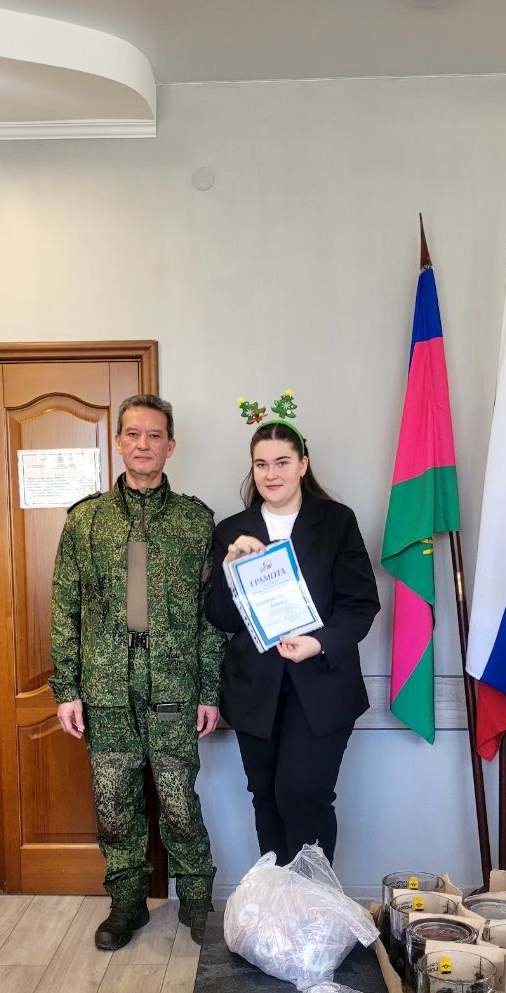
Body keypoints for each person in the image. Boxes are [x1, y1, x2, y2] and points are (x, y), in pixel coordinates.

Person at [50, 393, 225, 948]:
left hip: (173, 691)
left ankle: (197, 903)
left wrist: (209, 690)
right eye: (133, 434)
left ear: (170, 446)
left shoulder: (196, 522)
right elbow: (65, 609)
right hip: (105, 694)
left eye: (154, 435)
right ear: (118, 442)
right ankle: (127, 905)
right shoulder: (86, 521)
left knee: (180, 805)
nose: (143, 444)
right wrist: (66, 688)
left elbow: (210, 618)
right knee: (114, 808)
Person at [205, 392, 380, 866]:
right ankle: (278, 902)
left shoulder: (337, 522)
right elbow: (221, 618)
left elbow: (361, 604)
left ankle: (313, 899)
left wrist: (317, 643)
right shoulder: (231, 530)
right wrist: (229, 570)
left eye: (282, 462)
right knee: (265, 796)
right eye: (261, 464)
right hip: (254, 690)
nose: (271, 474)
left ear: (303, 464)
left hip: (321, 685)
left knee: (303, 793)